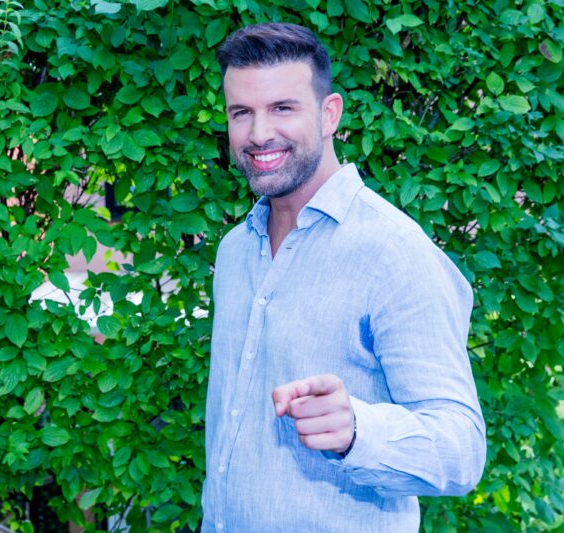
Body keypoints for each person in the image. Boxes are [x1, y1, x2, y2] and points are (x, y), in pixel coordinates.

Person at [202, 22, 486, 532]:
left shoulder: (394, 252)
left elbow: (461, 451)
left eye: (282, 108)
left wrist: (358, 430)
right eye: (241, 112)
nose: (259, 133)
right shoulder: (235, 250)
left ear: (329, 114)